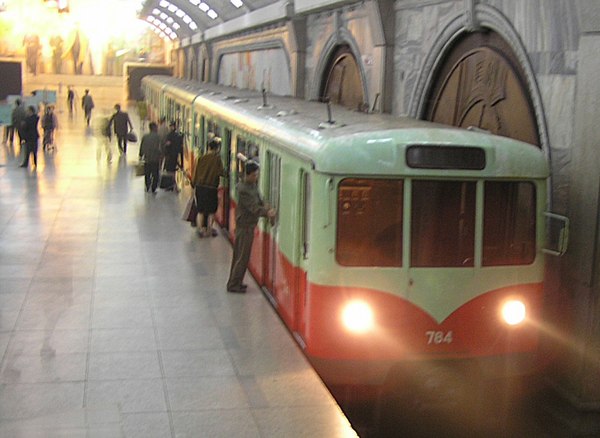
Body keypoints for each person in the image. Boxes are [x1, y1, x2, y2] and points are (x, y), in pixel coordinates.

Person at [226, 161, 276, 293]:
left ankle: (237, 281)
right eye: (254, 175)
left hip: (249, 225)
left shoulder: (252, 186)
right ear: (247, 175)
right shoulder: (243, 189)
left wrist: (265, 205)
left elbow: (259, 200)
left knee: (241, 256)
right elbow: (253, 208)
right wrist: (267, 212)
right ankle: (233, 284)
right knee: (242, 256)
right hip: (244, 226)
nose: (256, 177)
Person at [192, 137, 225, 236]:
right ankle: (209, 229)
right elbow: (221, 172)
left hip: (200, 187)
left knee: (200, 210)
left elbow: (196, 173)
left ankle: (200, 229)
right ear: (216, 149)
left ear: (208, 148)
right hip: (211, 188)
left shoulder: (201, 158)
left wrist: (194, 185)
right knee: (211, 211)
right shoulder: (217, 159)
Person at [138, 122, 162, 193]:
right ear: (154, 128)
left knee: (147, 174)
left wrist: (141, 155)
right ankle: (153, 188)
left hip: (147, 159)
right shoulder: (158, 137)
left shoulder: (145, 137)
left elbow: (141, 147)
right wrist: (160, 155)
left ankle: (147, 186)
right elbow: (160, 148)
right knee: (155, 174)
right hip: (155, 159)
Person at [161, 121, 184, 191]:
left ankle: (171, 185)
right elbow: (181, 148)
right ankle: (174, 186)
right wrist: (181, 162)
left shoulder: (169, 136)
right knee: (173, 171)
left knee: (170, 171)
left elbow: (167, 145)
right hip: (175, 156)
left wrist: (164, 154)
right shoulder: (179, 136)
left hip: (170, 156)